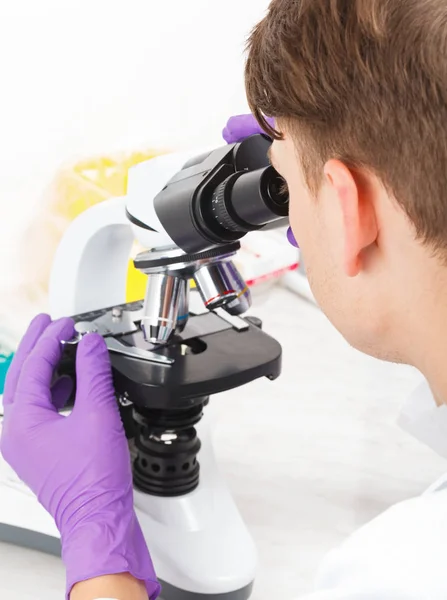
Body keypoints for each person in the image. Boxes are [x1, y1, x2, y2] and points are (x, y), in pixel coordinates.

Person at [3, 0, 447, 598]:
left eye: (285, 178)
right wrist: (317, 193)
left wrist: (96, 539)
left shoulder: (393, 573)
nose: (281, 199)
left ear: (351, 210)